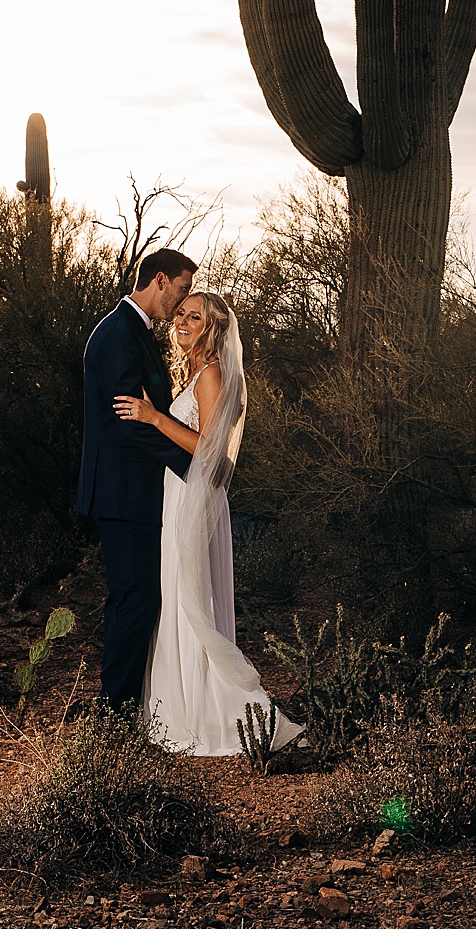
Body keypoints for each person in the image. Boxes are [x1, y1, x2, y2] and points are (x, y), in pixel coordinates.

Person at [117, 290, 305, 756]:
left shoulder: (213, 375)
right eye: (180, 312)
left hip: (192, 500)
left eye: (194, 316)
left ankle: (227, 715)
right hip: (181, 495)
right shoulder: (199, 372)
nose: (181, 320)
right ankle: (179, 708)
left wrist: (154, 417)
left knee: (190, 603)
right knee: (179, 599)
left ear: (214, 328)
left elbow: (209, 449)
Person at [76, 248, 197, 716]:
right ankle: (114, 717)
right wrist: (191, 465)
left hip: (136, 492)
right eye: (182, 290)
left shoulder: (135, 333)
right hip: (123, 492)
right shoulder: (118, 335)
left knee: (136, 599)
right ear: (161, 280)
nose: (181, 302)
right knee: (136, 601)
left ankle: (123, 710)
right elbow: (129, 421)